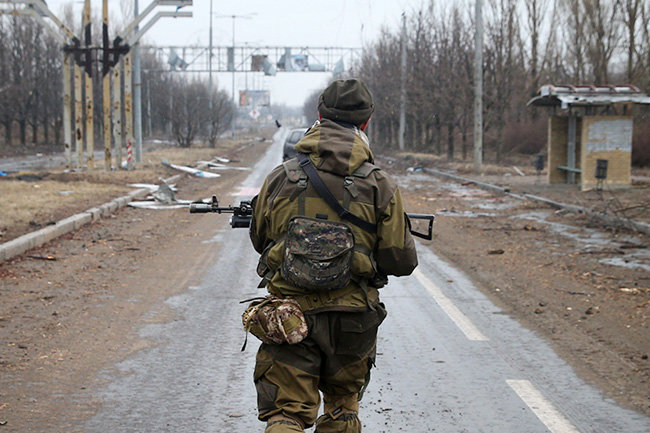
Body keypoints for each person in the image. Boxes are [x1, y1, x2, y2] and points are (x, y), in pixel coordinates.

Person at [249, 78, 418, 432]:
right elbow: (401, 261)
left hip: (290, 316)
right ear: (366, 123)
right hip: (352, 320)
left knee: (286, 413)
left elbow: (260, 239)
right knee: (343, 409)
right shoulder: (379, 184)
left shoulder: (281, 177)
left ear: (319, 116)